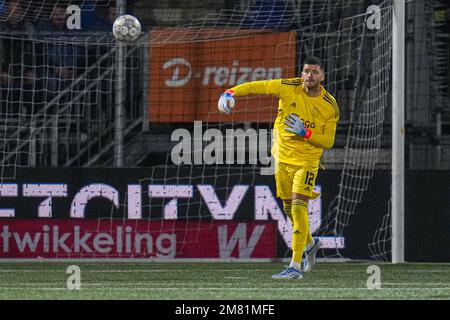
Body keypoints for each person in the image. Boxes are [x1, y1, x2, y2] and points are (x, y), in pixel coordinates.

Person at [218, 56, 340, 279]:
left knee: (298, 207)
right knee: (287, 208)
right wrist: (231, 92)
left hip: (307, 162)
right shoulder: (288, 87)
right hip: (282, 158)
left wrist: (307, 133)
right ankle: (311, 245)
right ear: (301, 73)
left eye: (314, 72)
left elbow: (329, 141)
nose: (309, 76)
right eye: (306, 71)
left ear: (322, 76)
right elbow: (259, 86)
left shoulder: (329, 105)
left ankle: (294, 265)